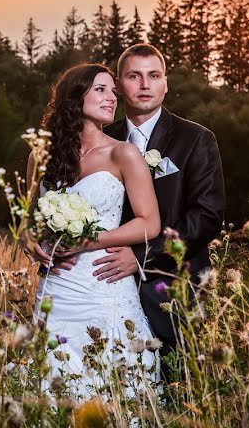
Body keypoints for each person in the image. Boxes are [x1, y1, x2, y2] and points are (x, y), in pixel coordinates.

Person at [26, 63, 162, 401]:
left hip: (104, 284)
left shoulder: (123, 153)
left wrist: (89, 241)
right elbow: (27, 220)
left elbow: (149, 222)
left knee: (112, 380)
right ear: (75, 96)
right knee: (51, 381)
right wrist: (31, 241)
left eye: (112, 91)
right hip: (56, 287)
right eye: (101, 89)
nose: (112, 97)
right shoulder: (40, 156)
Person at [95, 43, 225, 377]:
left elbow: (207, 216)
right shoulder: (100, 140)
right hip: (107, 287)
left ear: (165, 84)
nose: (144, 85)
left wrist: (140, 255)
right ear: (118, 85)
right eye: (134, 76)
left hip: (174, 287)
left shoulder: (196, 139)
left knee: (177, 386)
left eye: (154, 76)